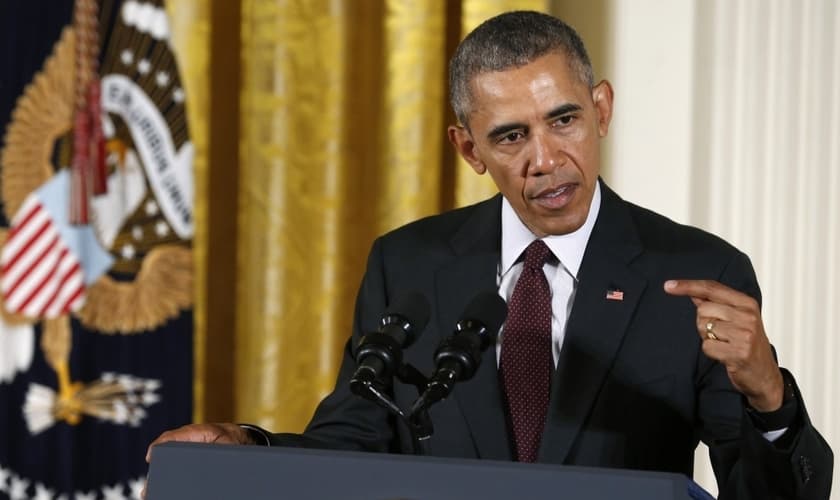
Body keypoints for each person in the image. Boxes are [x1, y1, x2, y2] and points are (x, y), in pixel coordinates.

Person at [147, 11, 833, 499]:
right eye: (510, 136)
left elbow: (768, 493)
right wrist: (248, 449)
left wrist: (768, 393)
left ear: (601, 109)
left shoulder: (696, 272)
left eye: (564, 120)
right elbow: (353, 443)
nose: (546, 159)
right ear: (469, 149)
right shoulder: (409, 265)